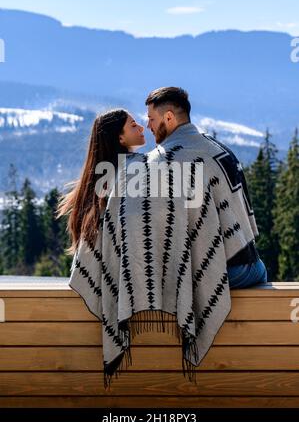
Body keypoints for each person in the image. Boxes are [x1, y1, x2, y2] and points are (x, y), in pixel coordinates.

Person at [145, 86, 267, 289]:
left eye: (151, 119)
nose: (147, 125)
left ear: (168, 118)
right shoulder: (220, 150)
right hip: (252, 265)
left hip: (223, 272)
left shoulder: (161, 160)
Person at [56, 108, 145, 256]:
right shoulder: (129, 172)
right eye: (133, 125)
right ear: (120, 138)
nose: (142, 127)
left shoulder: (102, 178)